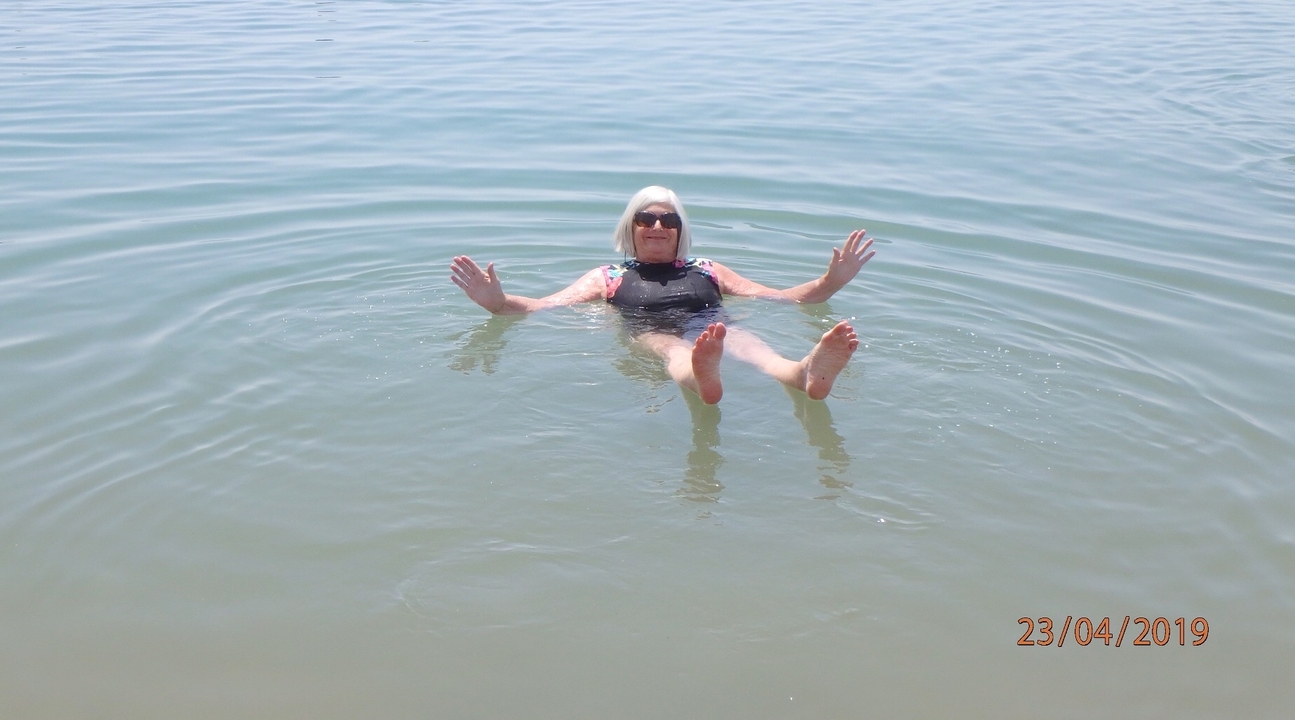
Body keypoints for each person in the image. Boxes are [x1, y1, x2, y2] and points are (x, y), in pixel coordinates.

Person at [450, 186, 875, 404]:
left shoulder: (708, 269)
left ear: (680, 230)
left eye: (668, 220)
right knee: (670, 348)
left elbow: (783, 298)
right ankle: (701, 376)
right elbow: (543, 307)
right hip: (647, 329)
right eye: (646, 219)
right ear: (630, 227)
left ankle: (803, 374)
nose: (657, 227)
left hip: (713, 324)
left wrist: (830, 281)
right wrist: (497, 303)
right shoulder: (608, 276)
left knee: (750, 345)